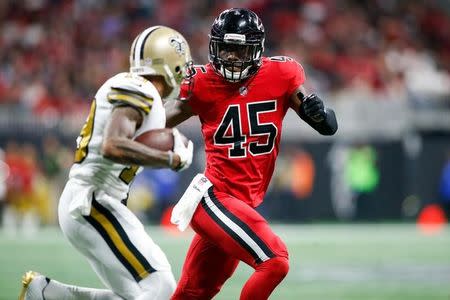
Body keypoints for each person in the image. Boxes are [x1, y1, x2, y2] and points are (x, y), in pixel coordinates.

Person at [165, 8, 338, 300]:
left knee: (192, 294)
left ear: (256, 50)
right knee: (275, 261)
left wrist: (319, 114)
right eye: (226, 48)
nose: (231, 56)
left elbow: (328, 126)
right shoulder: (203, 83)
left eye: (239, 49)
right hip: (213, 199)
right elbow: (159, 120)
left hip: (240, 204)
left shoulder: (282, 75)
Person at [19, 25, 194, 300]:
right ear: (170, 63)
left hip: (89, 202)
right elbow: (113, 144)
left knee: (138, 293)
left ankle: (49, 294)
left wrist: (192, 106)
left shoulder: (139, 90)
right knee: (161, 287)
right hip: (95, 202)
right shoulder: (141, 90)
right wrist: (169, 158)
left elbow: (150, 124)